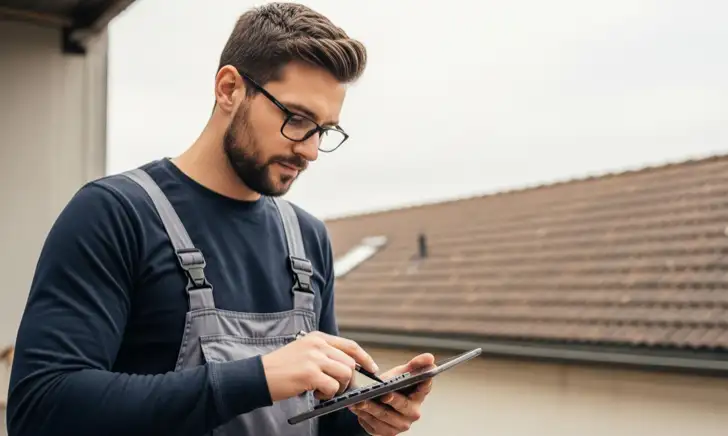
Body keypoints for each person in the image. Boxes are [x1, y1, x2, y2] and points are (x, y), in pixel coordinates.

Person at [6, 3, 434, 436]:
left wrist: (365, 419)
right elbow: (41, 408)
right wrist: (259, 377)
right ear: (229, 88)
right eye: (297, 119)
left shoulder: (308, 239)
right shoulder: (114, 214)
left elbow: (312, 421)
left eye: (323, 130)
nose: (309, 151)